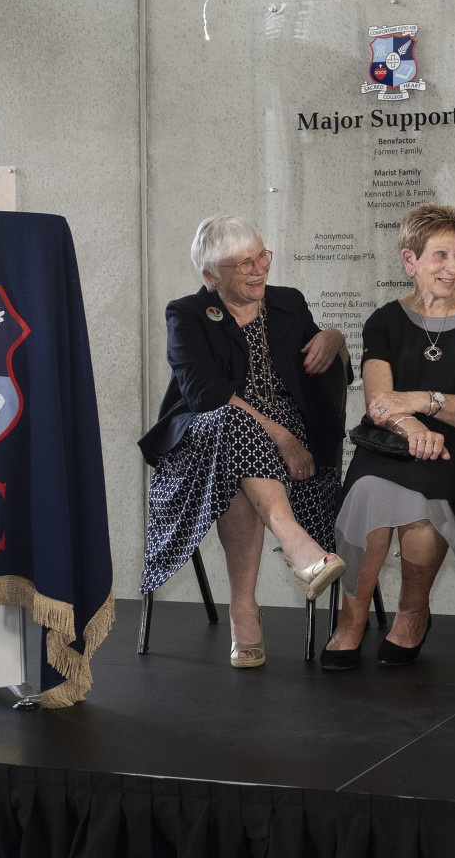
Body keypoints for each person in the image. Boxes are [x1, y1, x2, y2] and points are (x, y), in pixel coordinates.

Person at [137, 215, 349, 668]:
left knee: (235, 471)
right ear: (211, 276)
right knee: (232, 425)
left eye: (261, 256)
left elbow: (324, 361)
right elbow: (205, 396)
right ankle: (297, 545)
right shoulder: (187, 314)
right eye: (243, 264)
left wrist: (335, 336)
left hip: (273, 449)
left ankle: (244, 610)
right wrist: (281, 437)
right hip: (202, 440)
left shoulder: (289, 303)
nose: (258, 269)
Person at [321, 204, 455, 670]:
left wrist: (424, 402)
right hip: (393, 439)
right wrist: (410, 425)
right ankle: (351, 620)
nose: (453, 266)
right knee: (365, 490)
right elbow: (379, 403)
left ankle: (412, 614)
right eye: (440, 255)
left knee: (422, 502)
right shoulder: (383, 321)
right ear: (410, 260)